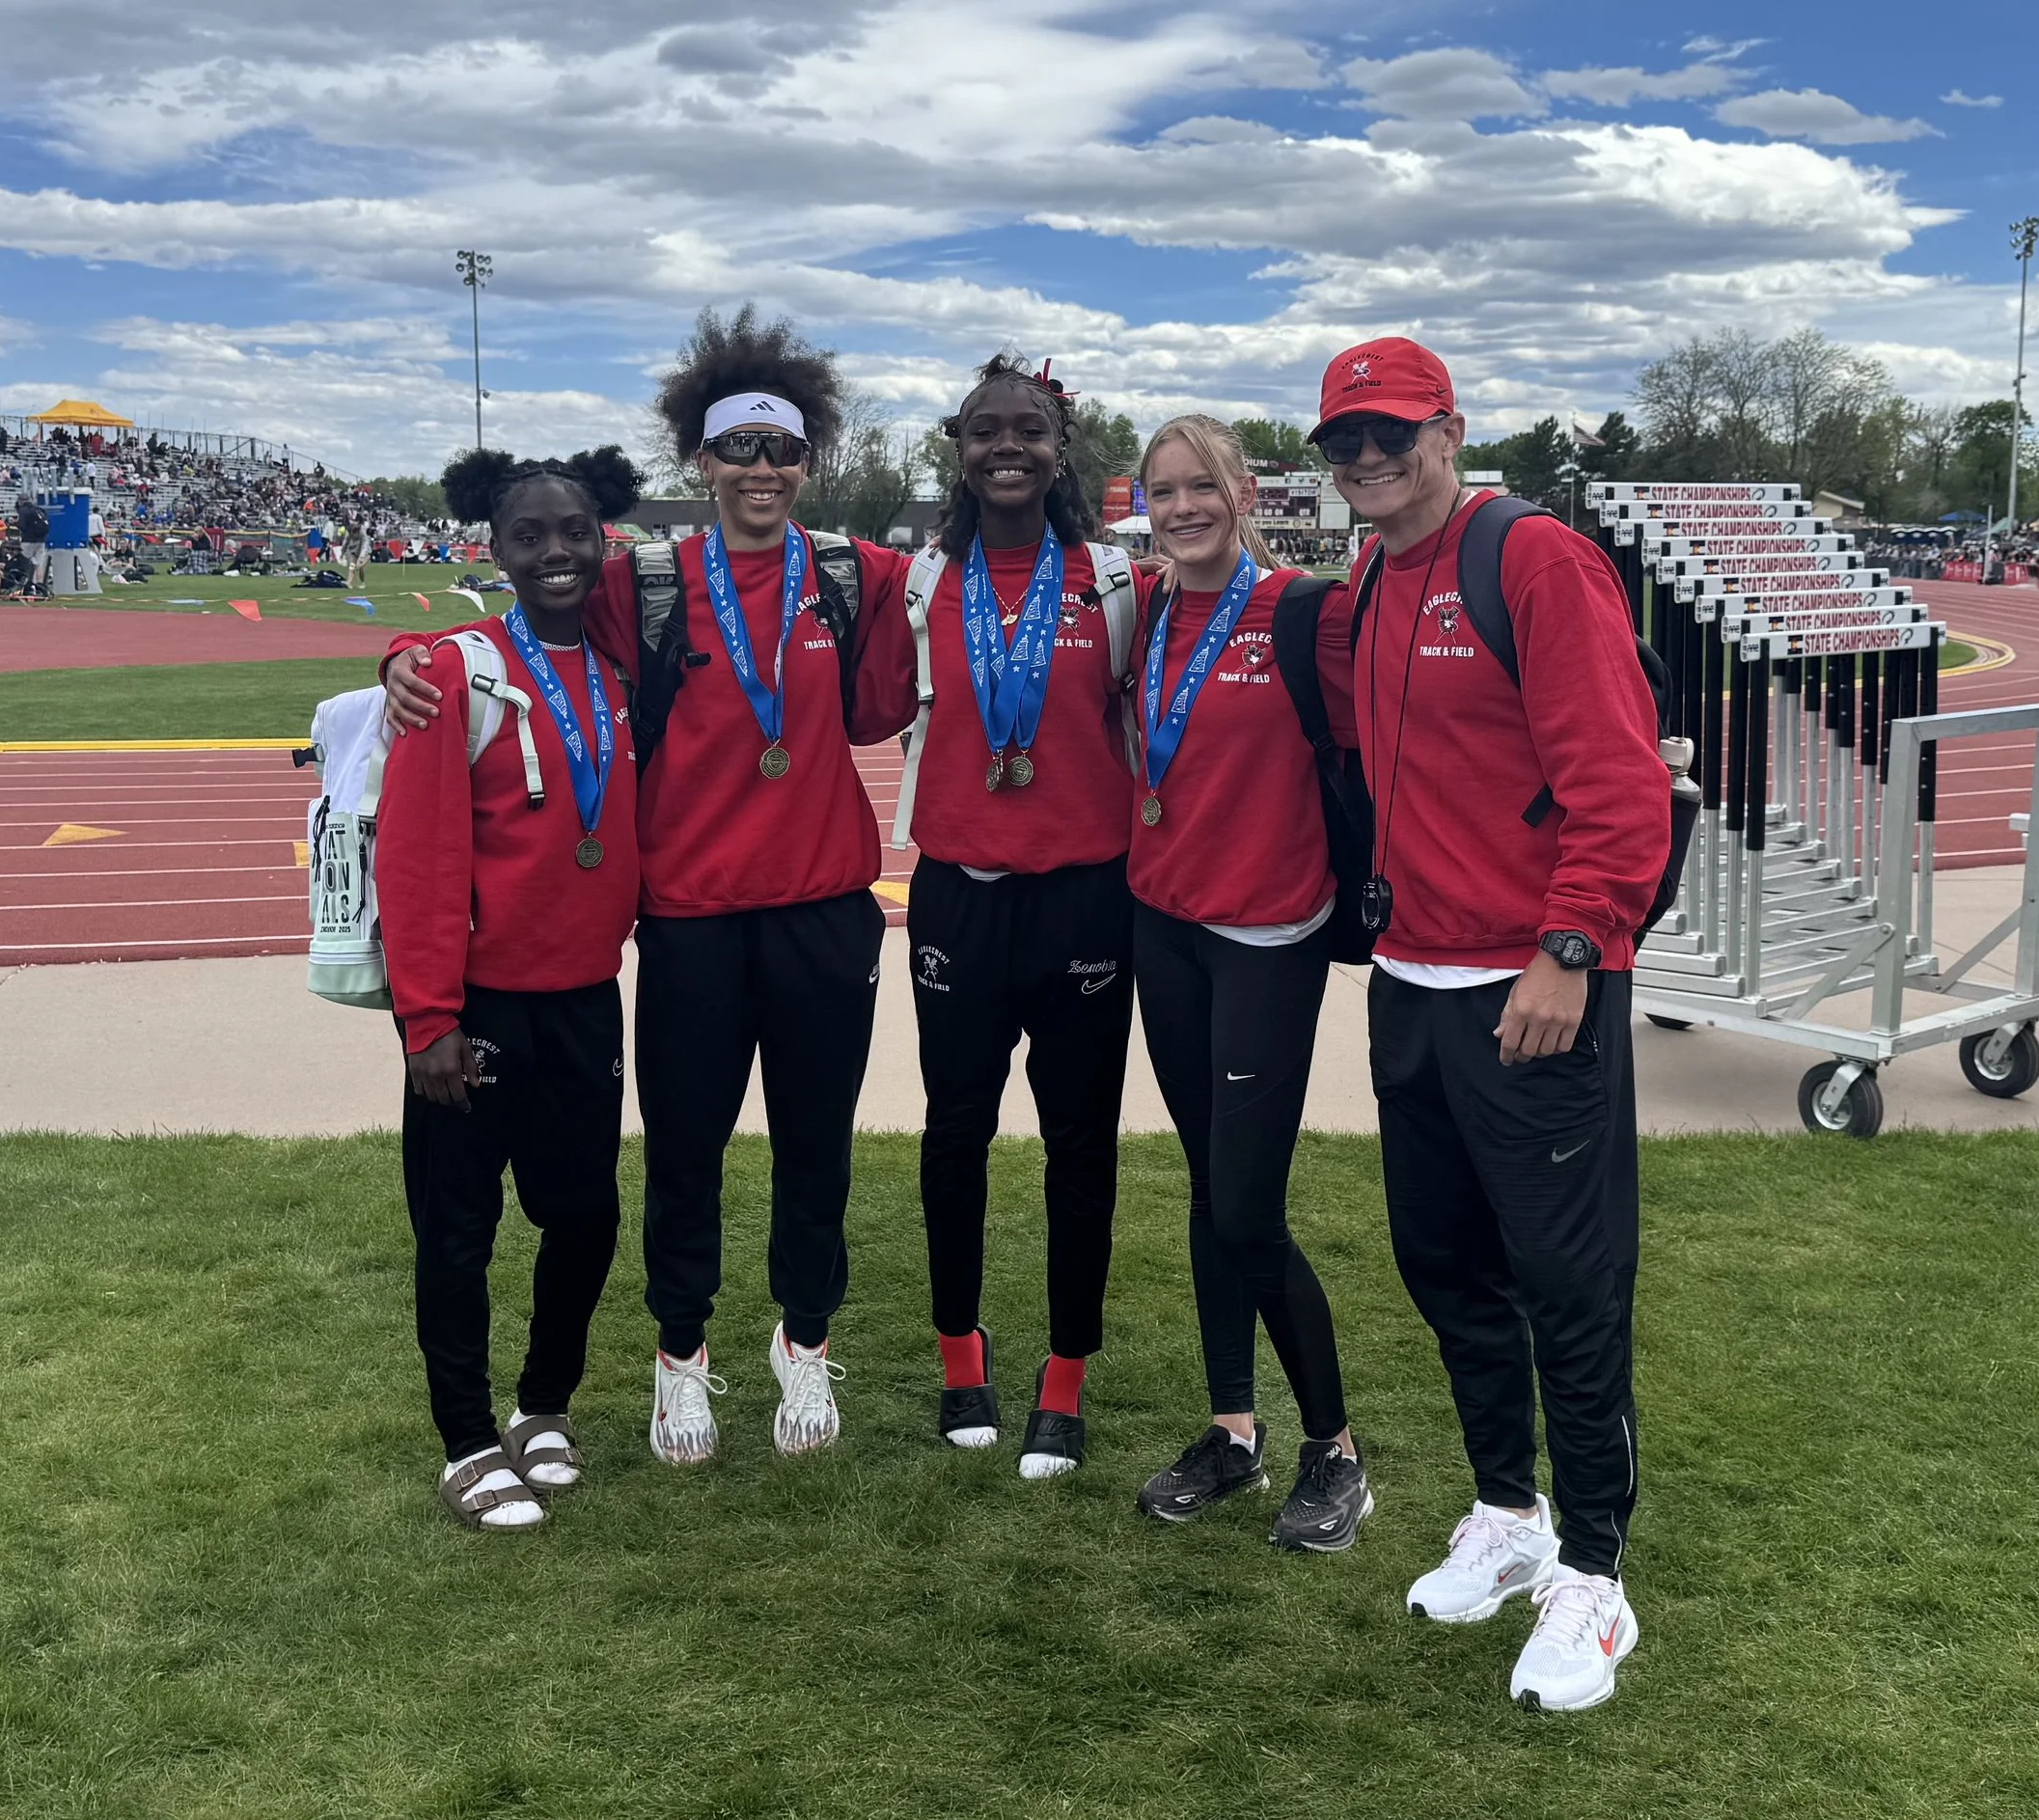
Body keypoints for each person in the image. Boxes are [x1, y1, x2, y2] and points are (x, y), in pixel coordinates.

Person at [385, 306, 905, 1466]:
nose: (759, 470)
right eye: (738, 448)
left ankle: (804, 1340)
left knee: (816, 1143)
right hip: (689, 926)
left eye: (780, 450)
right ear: (701, 461)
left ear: (806, 460)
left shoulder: (856, 573)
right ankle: (682, 1355)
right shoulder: (646, 580)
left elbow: (885, 706)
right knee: (685, 1152)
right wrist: (400, 663)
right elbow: (531, 619)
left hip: (823, 915)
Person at [1318, 337, 1668, 1712]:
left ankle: (1595, 1572)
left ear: (1450, 429)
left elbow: (1620, 784)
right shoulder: (1372, 572)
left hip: (1535, 987)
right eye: (1343, 438)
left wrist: (1572, 945)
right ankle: (1509, 1511)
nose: (1365, 458)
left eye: (1391, 431)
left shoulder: (1529, 559)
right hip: (1413, 978)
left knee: (1571, 1287)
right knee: (1446, 1263)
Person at [861, 354, 1144, 1480]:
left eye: (1028, 427)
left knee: (1080, 1145)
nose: (1007, 446)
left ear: (1058, 445)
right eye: (985, 430)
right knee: (954, 1132)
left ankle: (1064, 1373)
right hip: (958, 900)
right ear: (959, 447)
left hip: (1086, 898)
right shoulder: (912, 577)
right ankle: (959, 1350)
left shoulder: (1119, 579)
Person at [372, 445, 646, 1530]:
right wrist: (428, 1016)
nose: (555, 552)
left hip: (584, 996)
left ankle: (543, 1405)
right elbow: (418, 856)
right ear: (495, 549)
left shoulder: (622, 663)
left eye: (573, 531)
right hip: (473, 1011)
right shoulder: (451, 670)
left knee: (583, 1216)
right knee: (458, 1230)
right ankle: (466, 1438)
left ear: (602, 539)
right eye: (528, 536)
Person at [1124, 415, 1374, 1548]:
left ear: (1240, 491)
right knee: (1206, 1186)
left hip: (1268, 932)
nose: (1183, 507)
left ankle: (1334, 1448)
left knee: (1249, 1203)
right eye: (1163, 490)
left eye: (1201, 486)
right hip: (1162, 921)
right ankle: (1233, 1426)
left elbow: (1397, 734)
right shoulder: (1141, 612)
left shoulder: (1306, 612)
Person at [15, 496, 49, 593]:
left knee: (24, 564)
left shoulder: (23, 510)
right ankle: (40, 588)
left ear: (21, 501)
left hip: (28, 540)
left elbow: (22, 525)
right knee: (39, 565)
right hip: (41, 541)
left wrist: (15, 523)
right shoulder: (38, 510)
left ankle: (23, 586)